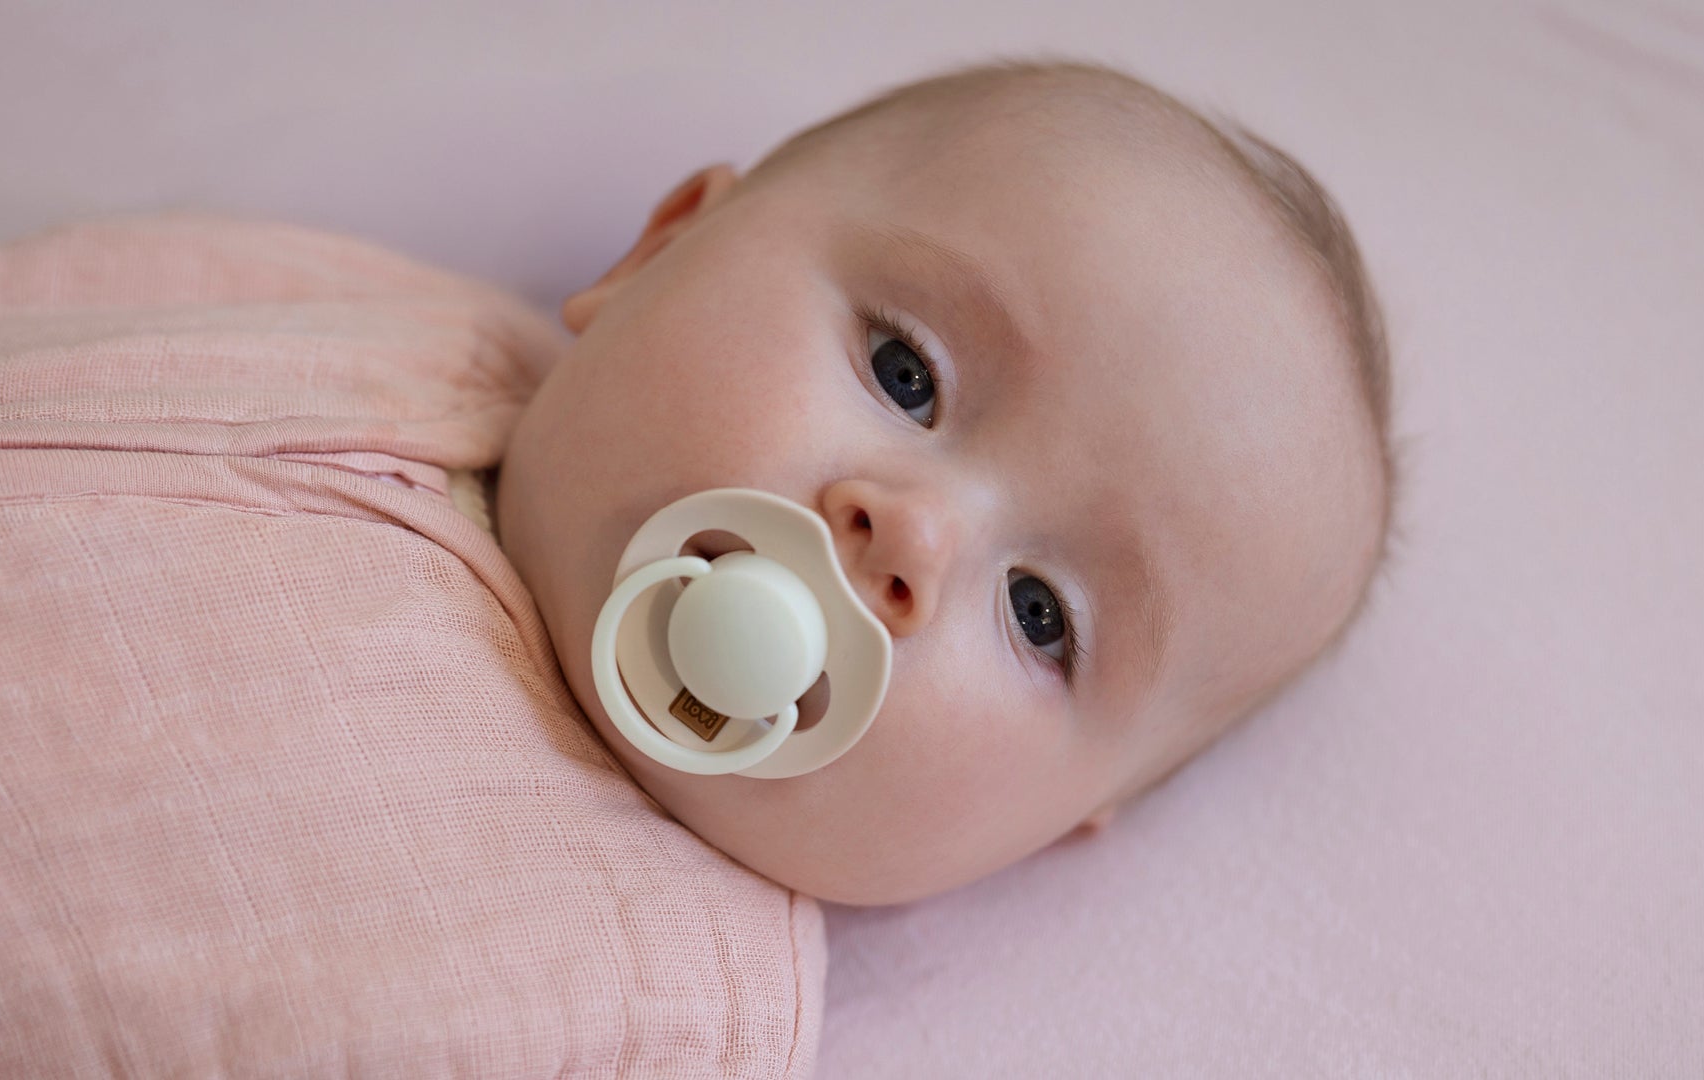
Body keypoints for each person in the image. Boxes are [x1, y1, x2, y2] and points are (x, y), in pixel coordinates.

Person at [491, 57, 1396, 905]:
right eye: (905, 374)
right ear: (661, 250)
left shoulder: (682, 1018)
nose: (917, 537)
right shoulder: (377, 330)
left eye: (1040, 614)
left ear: (1045, 833)